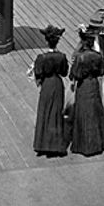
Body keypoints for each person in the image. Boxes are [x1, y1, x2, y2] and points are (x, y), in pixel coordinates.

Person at [68, 28, 104, 156]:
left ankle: (83, 145)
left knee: (82, 113)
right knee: (94, 112)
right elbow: (102, 71)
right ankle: (96, 144)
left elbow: (73, 74)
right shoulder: (98, 56)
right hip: (93, 85)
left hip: (83, 86)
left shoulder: (80, 57)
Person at [32, 25, 69, 156]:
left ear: (46, 41)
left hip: (47, 85)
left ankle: (42, 144)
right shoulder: (62, 56)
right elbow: (64, 73)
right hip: (57, 84)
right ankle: (56, 145)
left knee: (44, 111)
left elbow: (38, 73)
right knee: (56, 113)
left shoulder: (41, 57)